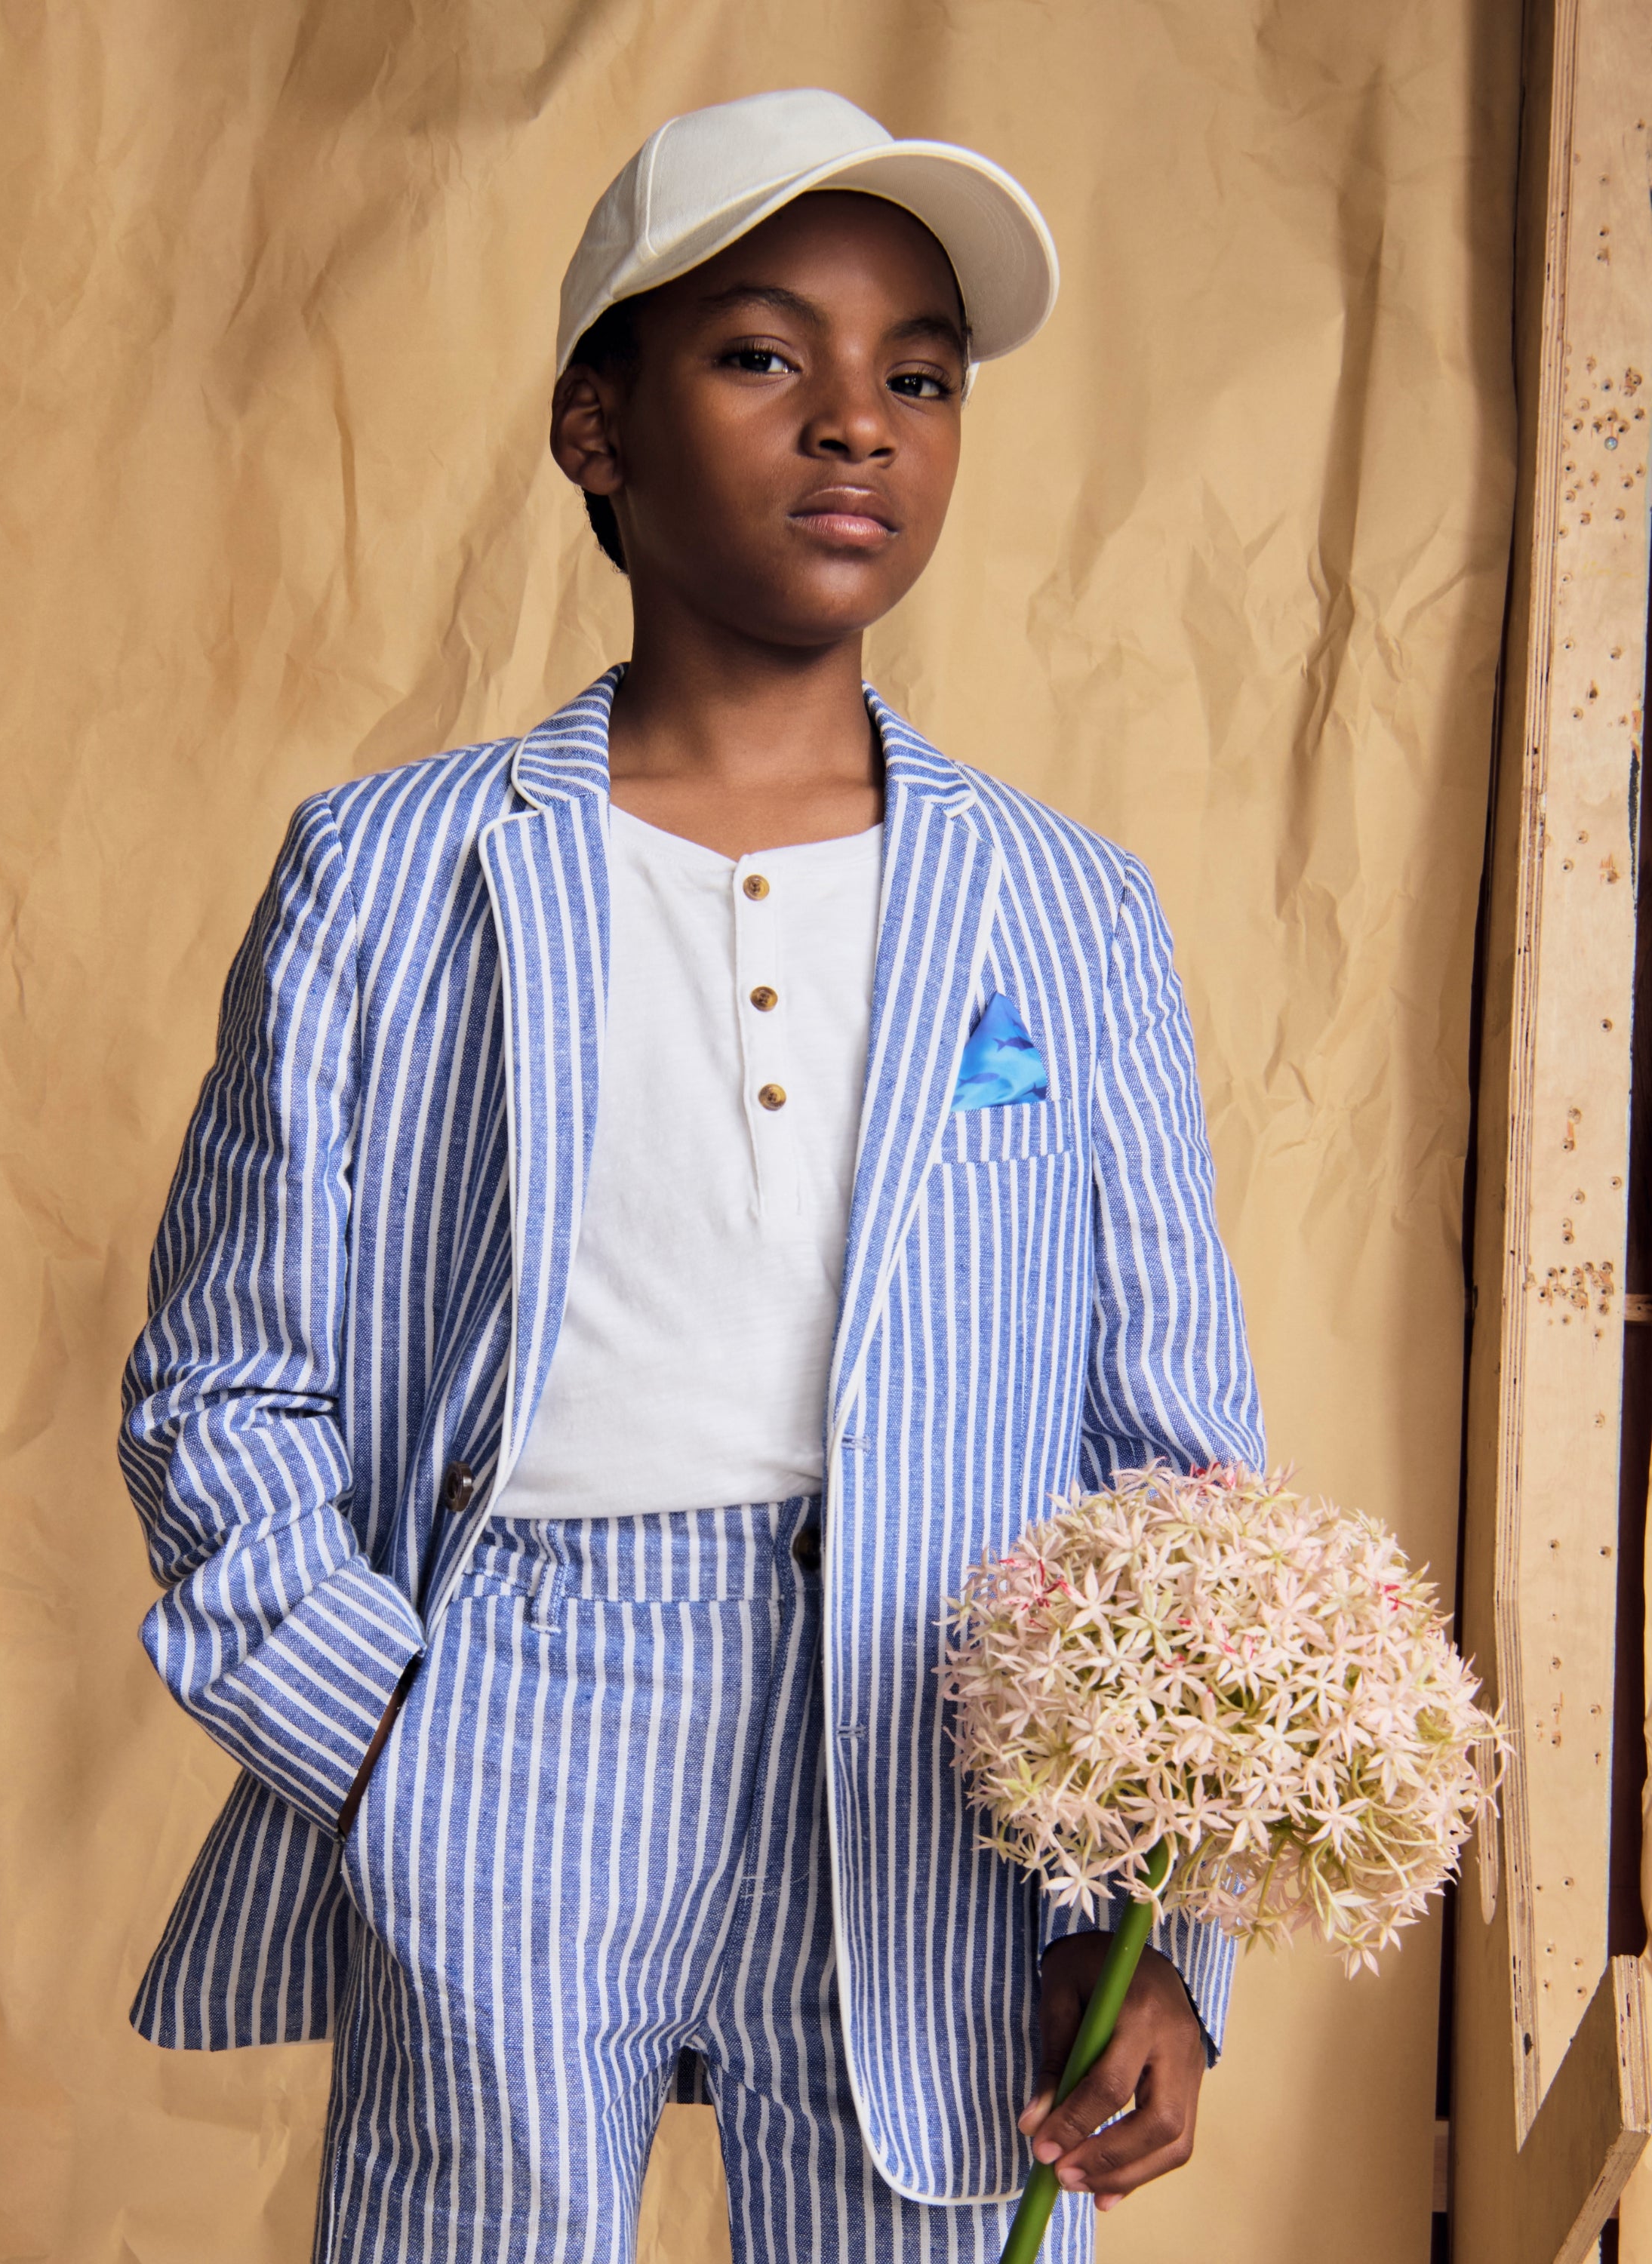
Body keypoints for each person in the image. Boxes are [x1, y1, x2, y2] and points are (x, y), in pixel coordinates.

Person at [119, 88, 1263, 2264]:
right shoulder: (394, 875)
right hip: (523, 1697)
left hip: (943, 1725)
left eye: (917, 375)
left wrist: (1156, 1937)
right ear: (595, 426)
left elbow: (1170, 1458)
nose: (859, 423)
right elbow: (221, 1385)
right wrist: (391, 1750)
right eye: (764, 356)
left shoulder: (1065, 909)